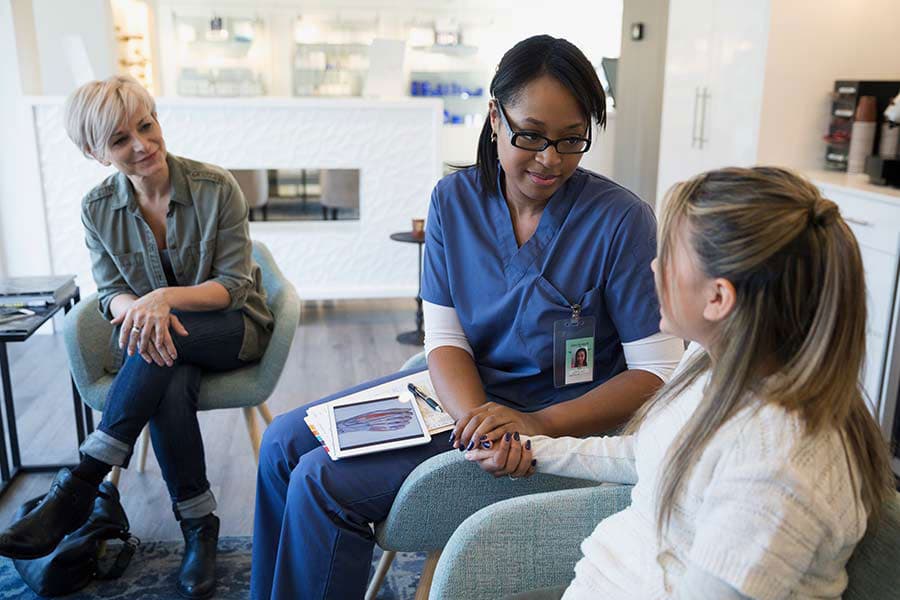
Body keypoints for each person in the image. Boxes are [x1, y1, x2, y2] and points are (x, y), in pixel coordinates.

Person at [251, 35, 683, 599]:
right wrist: (477, 415)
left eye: (572, 140)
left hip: (555, 418)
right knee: (283, 441)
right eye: (529, 135)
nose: (550, 159)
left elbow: (655, 372)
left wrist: (538, 425)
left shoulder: (620, 220)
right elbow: (446, 338)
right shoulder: (453, 200)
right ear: (494, 117)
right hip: (463, 401)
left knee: (320, 481)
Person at [465, 167, 896, 599]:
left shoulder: (775, 469)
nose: (653, 266)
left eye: (669, 256)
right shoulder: (712, 362)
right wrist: (533, 447)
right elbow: (653, 454)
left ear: (718, 298)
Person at [0, 75, 274, 599]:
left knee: (158, 343)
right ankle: (199, 527)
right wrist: (140, 308)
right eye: (121, 139)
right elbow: (108, 295)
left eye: (146, 126)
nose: (142, 144)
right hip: (165, 344)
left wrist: (160, 301)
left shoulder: (217, 188)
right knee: (165, 371)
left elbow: (235, 288)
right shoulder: (97, 207)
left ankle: (81, 482)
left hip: (233, 329)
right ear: (94, 152)